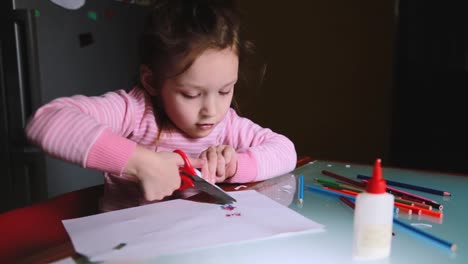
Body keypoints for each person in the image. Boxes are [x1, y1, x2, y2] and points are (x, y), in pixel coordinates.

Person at [25, 0, 297, 211]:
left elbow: (285, 151)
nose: (212, 111)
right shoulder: (133, 111)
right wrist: (140, 162)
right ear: (152, 81)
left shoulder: (227, 124)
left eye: (225, 90)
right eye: (191, 94)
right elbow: (47, 120)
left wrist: (234, 166)